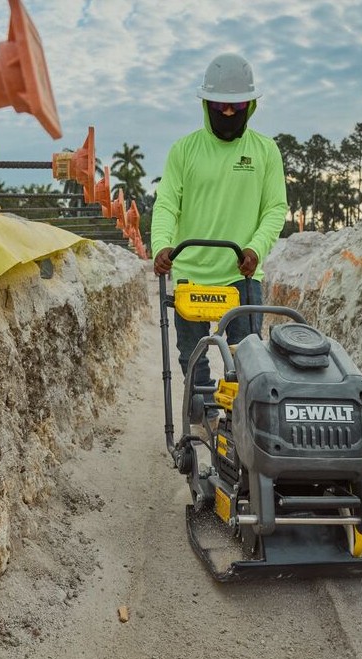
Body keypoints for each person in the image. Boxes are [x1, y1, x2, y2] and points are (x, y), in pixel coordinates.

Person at [151, 52, 287, 428]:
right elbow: (166, 206)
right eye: (221, 105)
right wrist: (162, 245)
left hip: (240, 276)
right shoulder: (184, 150)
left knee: (246, 359)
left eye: (237, 105)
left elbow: (275, 209)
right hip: (192, 273)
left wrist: (255, 249)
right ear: (207, 104)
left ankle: (237, 421)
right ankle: (202, 416)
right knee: (190, 358)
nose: (229, 113)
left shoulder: (265, 151)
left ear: (252, 104)